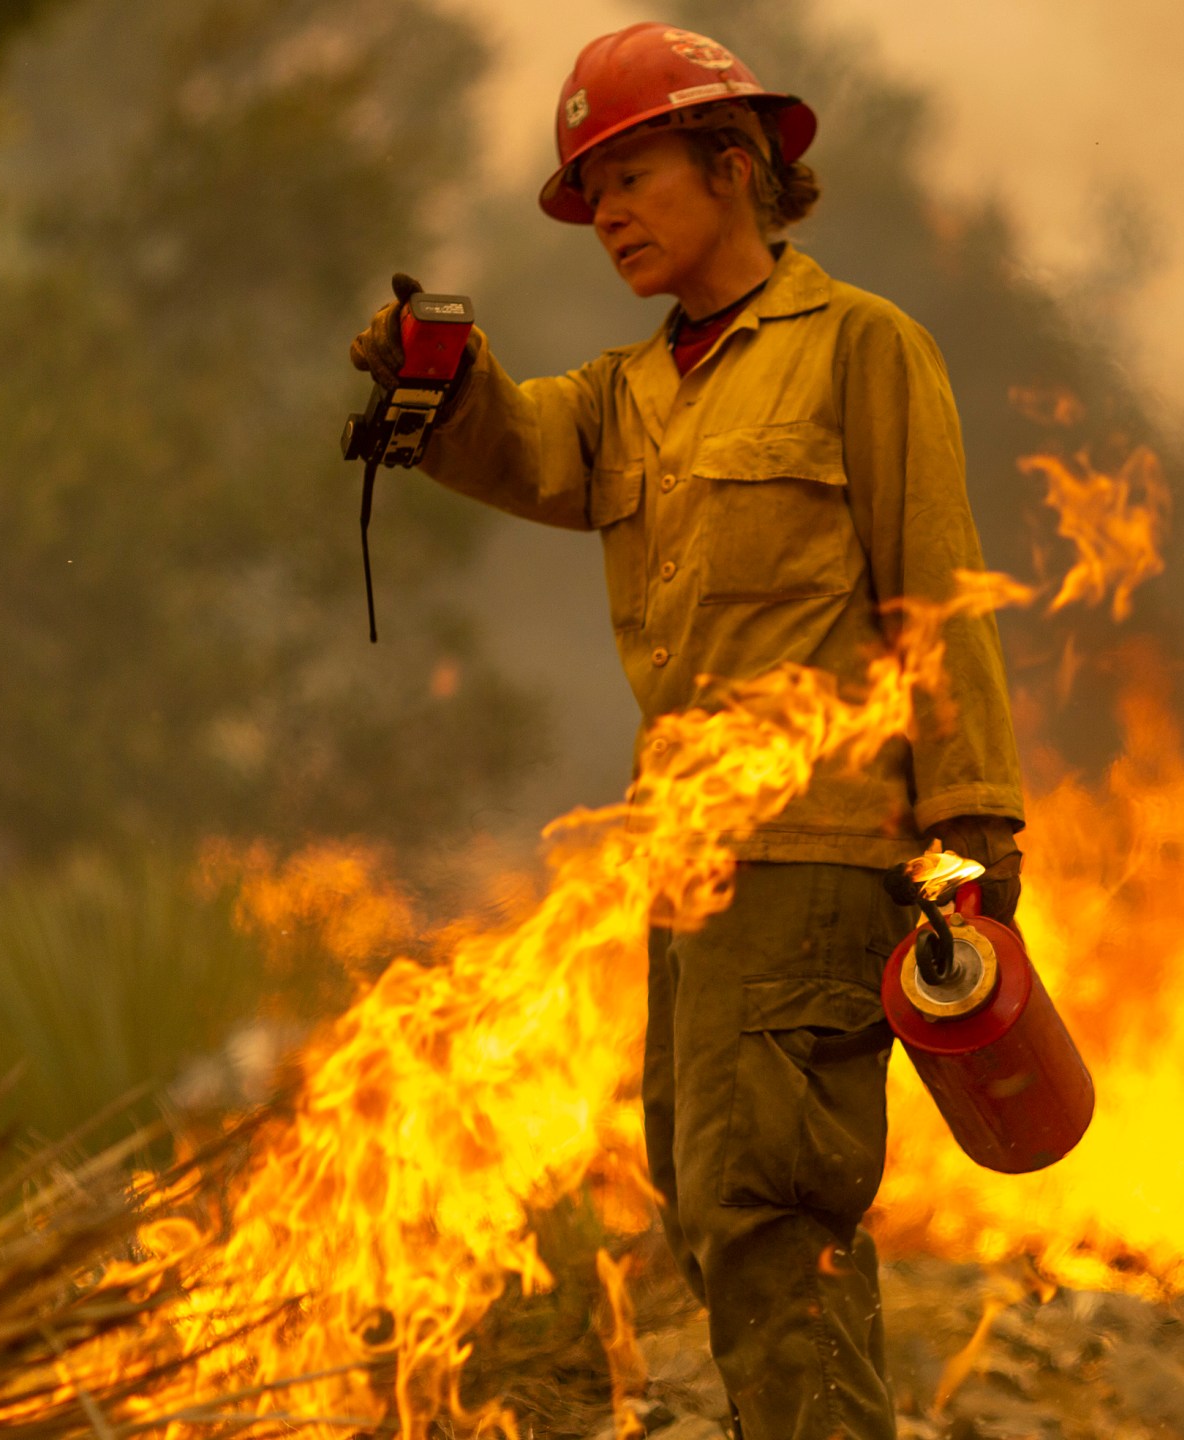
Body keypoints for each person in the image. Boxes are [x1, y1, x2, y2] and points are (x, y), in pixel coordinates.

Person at [351, 22, 1024, 1440]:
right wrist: (442, 388)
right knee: (713, 1198)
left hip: (822, 853)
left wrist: (973, 827)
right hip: (693, 868)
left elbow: (939, 586)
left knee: (773, 1207)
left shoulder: (859, 350)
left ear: (735, 168)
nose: (605, 215)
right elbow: (527, 450)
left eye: (632, 177)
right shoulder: (631, 391)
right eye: (588, 192)